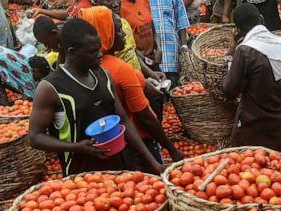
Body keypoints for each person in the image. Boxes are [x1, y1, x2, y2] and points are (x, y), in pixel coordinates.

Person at [28, 17, 162, 176]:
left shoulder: (104, 76)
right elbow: (35, 137)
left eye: (99, 48)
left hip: (118, 169)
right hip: (81, 177)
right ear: (72, 52)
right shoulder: (50, 88)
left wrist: (152, 162)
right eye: (92, 51)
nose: (100, 55)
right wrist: (76, 147)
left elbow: (123, 121)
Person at [78, 5, 181, 167]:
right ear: (106, 34)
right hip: (138, 145)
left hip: (112, 145)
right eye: (118, 30)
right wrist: (171, 149)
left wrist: (143, 80)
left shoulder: (87, 69)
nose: (124, 34)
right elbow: (145, 117)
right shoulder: (119, 68)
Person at [223, 4, 281, 152]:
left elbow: (230, 91)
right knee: (279, 169)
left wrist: (230, 51)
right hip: (279, 126)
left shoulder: (245, 51)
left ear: (237, 30)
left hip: (252, 127)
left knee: (250, 170)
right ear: (262, 19)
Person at [150, 0, 189, 85]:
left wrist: (184, 46)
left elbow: (181, 20)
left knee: (173, 87)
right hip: (151, 55)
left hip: (171, 53)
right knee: (155, 89)